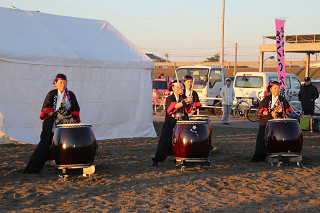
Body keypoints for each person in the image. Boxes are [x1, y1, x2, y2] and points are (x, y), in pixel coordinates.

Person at [24, 74, 80, 174]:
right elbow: (45, 111)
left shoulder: (70, 95)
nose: (63, 84)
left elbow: (76, 109)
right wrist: (56, 115)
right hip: (51, 124)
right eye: (61, 83)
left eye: (65, 82)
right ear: (55, 84)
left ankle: (68, 168)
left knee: (65, 146)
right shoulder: (51, 94)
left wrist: (73, 118)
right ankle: (32, 169)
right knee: (44, 145)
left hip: (65, 125)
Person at [152, 80, 193, 167]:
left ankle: (181, 158)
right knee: (166, 140)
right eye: (177, 87)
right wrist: (184, 101)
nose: (179, 89)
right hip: (171, 122)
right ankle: (157, 159)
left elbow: (188, 109)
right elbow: (174, 106)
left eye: (180, 87)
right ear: (173, 88)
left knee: (182, 141)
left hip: (181, 123)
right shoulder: (170, 98)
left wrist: (189, 101)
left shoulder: (183, 97)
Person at [251, 80, 292, 162]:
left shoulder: (282, 99)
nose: (277, 90)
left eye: (278, 88)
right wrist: (271, 113)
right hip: (266, 122)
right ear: (271, 89)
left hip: (279, 124)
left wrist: (285, 115)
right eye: (275, 88)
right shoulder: (266, 100)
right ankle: (261, 156)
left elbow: (288, 111)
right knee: (263, 138)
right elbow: (261, 111)